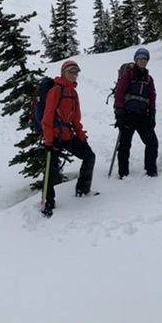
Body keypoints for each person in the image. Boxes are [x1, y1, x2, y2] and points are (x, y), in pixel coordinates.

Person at [41, 60, 96, 214]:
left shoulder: (73, 93)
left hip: (68, 135)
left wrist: (81, 135)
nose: (74, 75)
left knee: (89, 156)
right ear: (63, 72)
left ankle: (82, 190)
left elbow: (76, 119)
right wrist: (49, 141)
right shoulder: (56, 90)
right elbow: (47, 118)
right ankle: (47, 203)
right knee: (50, 171)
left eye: (76, 72)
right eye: (71, 71)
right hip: (55, 137)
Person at [113, 47, 159, 178]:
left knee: (152, 142)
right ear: (136, 59)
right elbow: (120, 94)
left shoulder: (149, 79)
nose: (143, 61)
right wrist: (119, 114)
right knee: (124, 145)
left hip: (143, 116)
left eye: (145, 59)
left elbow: (152, 97)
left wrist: (152, 114)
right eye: (141, 58)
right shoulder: (128, 75)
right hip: (128, 115)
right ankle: (123, 173)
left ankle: (151, 170)